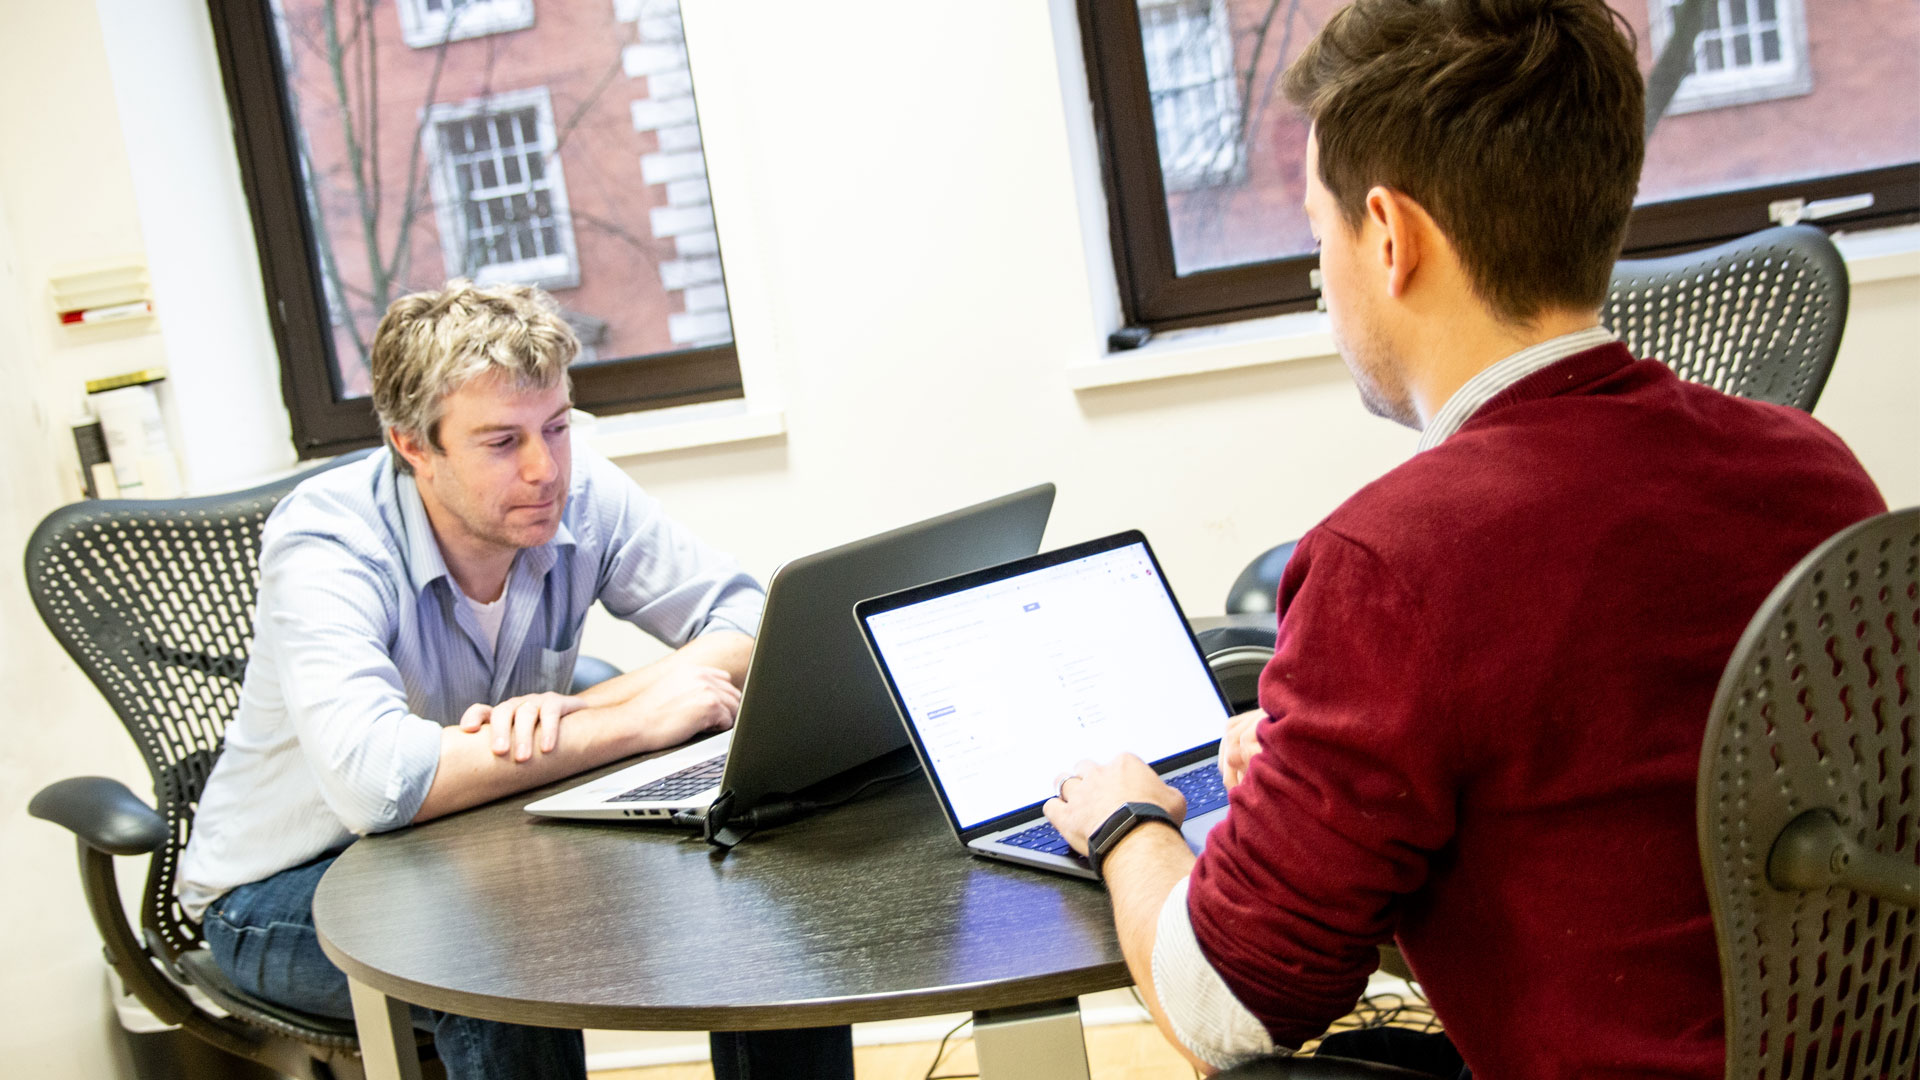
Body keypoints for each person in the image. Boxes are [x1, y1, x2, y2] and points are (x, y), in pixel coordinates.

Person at [1041, 2, 1887, 1078]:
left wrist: (1128, 827)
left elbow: (1227, 1006)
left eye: (1318, 236)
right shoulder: (1813, 465)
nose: (1323, 278)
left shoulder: (1394, 562)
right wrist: (1323, 777)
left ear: (1389, 237)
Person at [177, 282, 853, 1080]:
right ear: (413, 445)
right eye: (501, 442)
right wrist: (632, 723)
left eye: (558, 428)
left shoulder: (582, 491)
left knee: (748, 871)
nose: (545, 470)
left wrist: (583, 705)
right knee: (492, 952)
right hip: (281, 891)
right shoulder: (328, 541)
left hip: (475, 840)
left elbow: (750, 621)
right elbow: (376, 783)